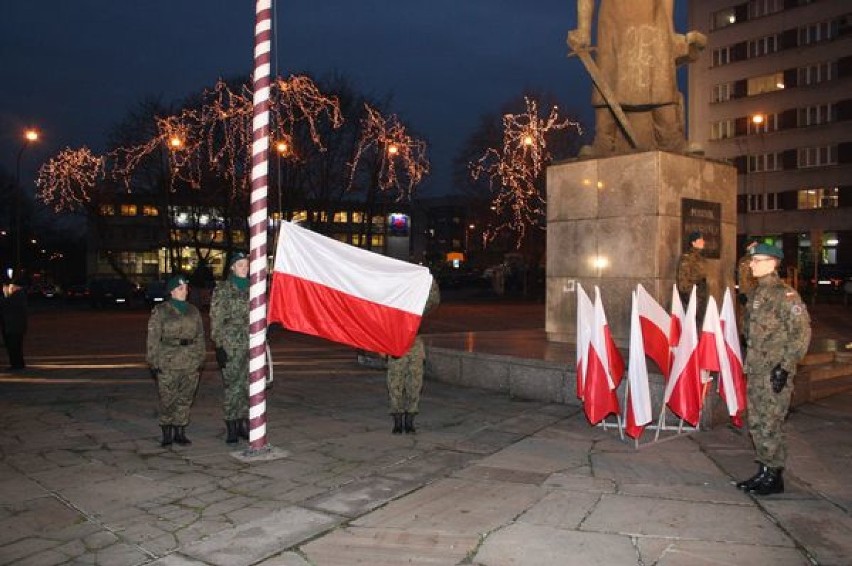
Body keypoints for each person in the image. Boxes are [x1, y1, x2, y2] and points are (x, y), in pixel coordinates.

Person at [567, 0, 705, 155]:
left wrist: (670, 32)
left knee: (660, 74)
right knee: (609, 72)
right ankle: (604, 140)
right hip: (613, 18)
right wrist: (583, 29)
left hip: (654, 17)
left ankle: (670, 138)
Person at [736, 243, 811, 496]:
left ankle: (774, 475)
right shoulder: (757, 293)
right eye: (752, 261)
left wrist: (786, 366)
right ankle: (765, 471)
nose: (751, 265)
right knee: (757, 422)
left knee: (771, 423)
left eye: (757, 261)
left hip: (774, 372)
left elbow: (801, 334)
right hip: (756, 369)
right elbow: (749, 330)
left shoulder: (785, 295)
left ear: (771, 263)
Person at [146, 274, 206, 447]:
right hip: (168, 359)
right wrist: (153, 361)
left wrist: (200, 357)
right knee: (168, 398)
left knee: (186, 397)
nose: (184, 291)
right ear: (171, 291)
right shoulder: (161, 311)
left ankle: (180, 430)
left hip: (190, 359)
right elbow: (153, 338)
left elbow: (200, 335)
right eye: (180, 288)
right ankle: (167, 430)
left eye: (186, 288)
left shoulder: (193, 311)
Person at [387, 278, 441, 434]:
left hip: (415, 343)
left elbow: (434, 300)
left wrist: (430, 280)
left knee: (415, 382)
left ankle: (410, 419)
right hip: (396, 343)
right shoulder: (391, 306)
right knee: (395, 383)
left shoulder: (417, 306)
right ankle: (397, 420)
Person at [210, 252, 250, 444]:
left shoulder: (254, 288)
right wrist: (218, 346)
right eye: (240, 265)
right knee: (233, 386)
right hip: (231, 343)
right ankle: (232, 425)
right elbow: (216, 318)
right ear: (232, 267)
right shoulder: (223, 289)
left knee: (248, 386)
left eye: (246, 264)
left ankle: (243, 423)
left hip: (251, 343)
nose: (245, 267)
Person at [676, 230, 708, 322]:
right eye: (700, 240)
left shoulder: (700, 257)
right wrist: (688, 297)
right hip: (692, 296)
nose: (703, 242)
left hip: (701, 295)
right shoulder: (687, 258)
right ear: (693, 243)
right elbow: (683, 281)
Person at [1, 277, 28, 371]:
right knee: (15, 347)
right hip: (14, 326)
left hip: (14, 327)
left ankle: (17, 365)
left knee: (14, 347)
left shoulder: (16, 296)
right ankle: (18, 364)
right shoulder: (17, 296)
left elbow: (5, 304)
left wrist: (5, 294)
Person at [735, 238, 760, 336]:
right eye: (754, 245)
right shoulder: (746, 260)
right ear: (748, 247)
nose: (756, 247)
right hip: (749, 293)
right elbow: (743, 278)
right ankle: (746, 338)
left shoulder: (754, 259)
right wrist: (744, 293)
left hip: (753, 292)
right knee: (747, 317)